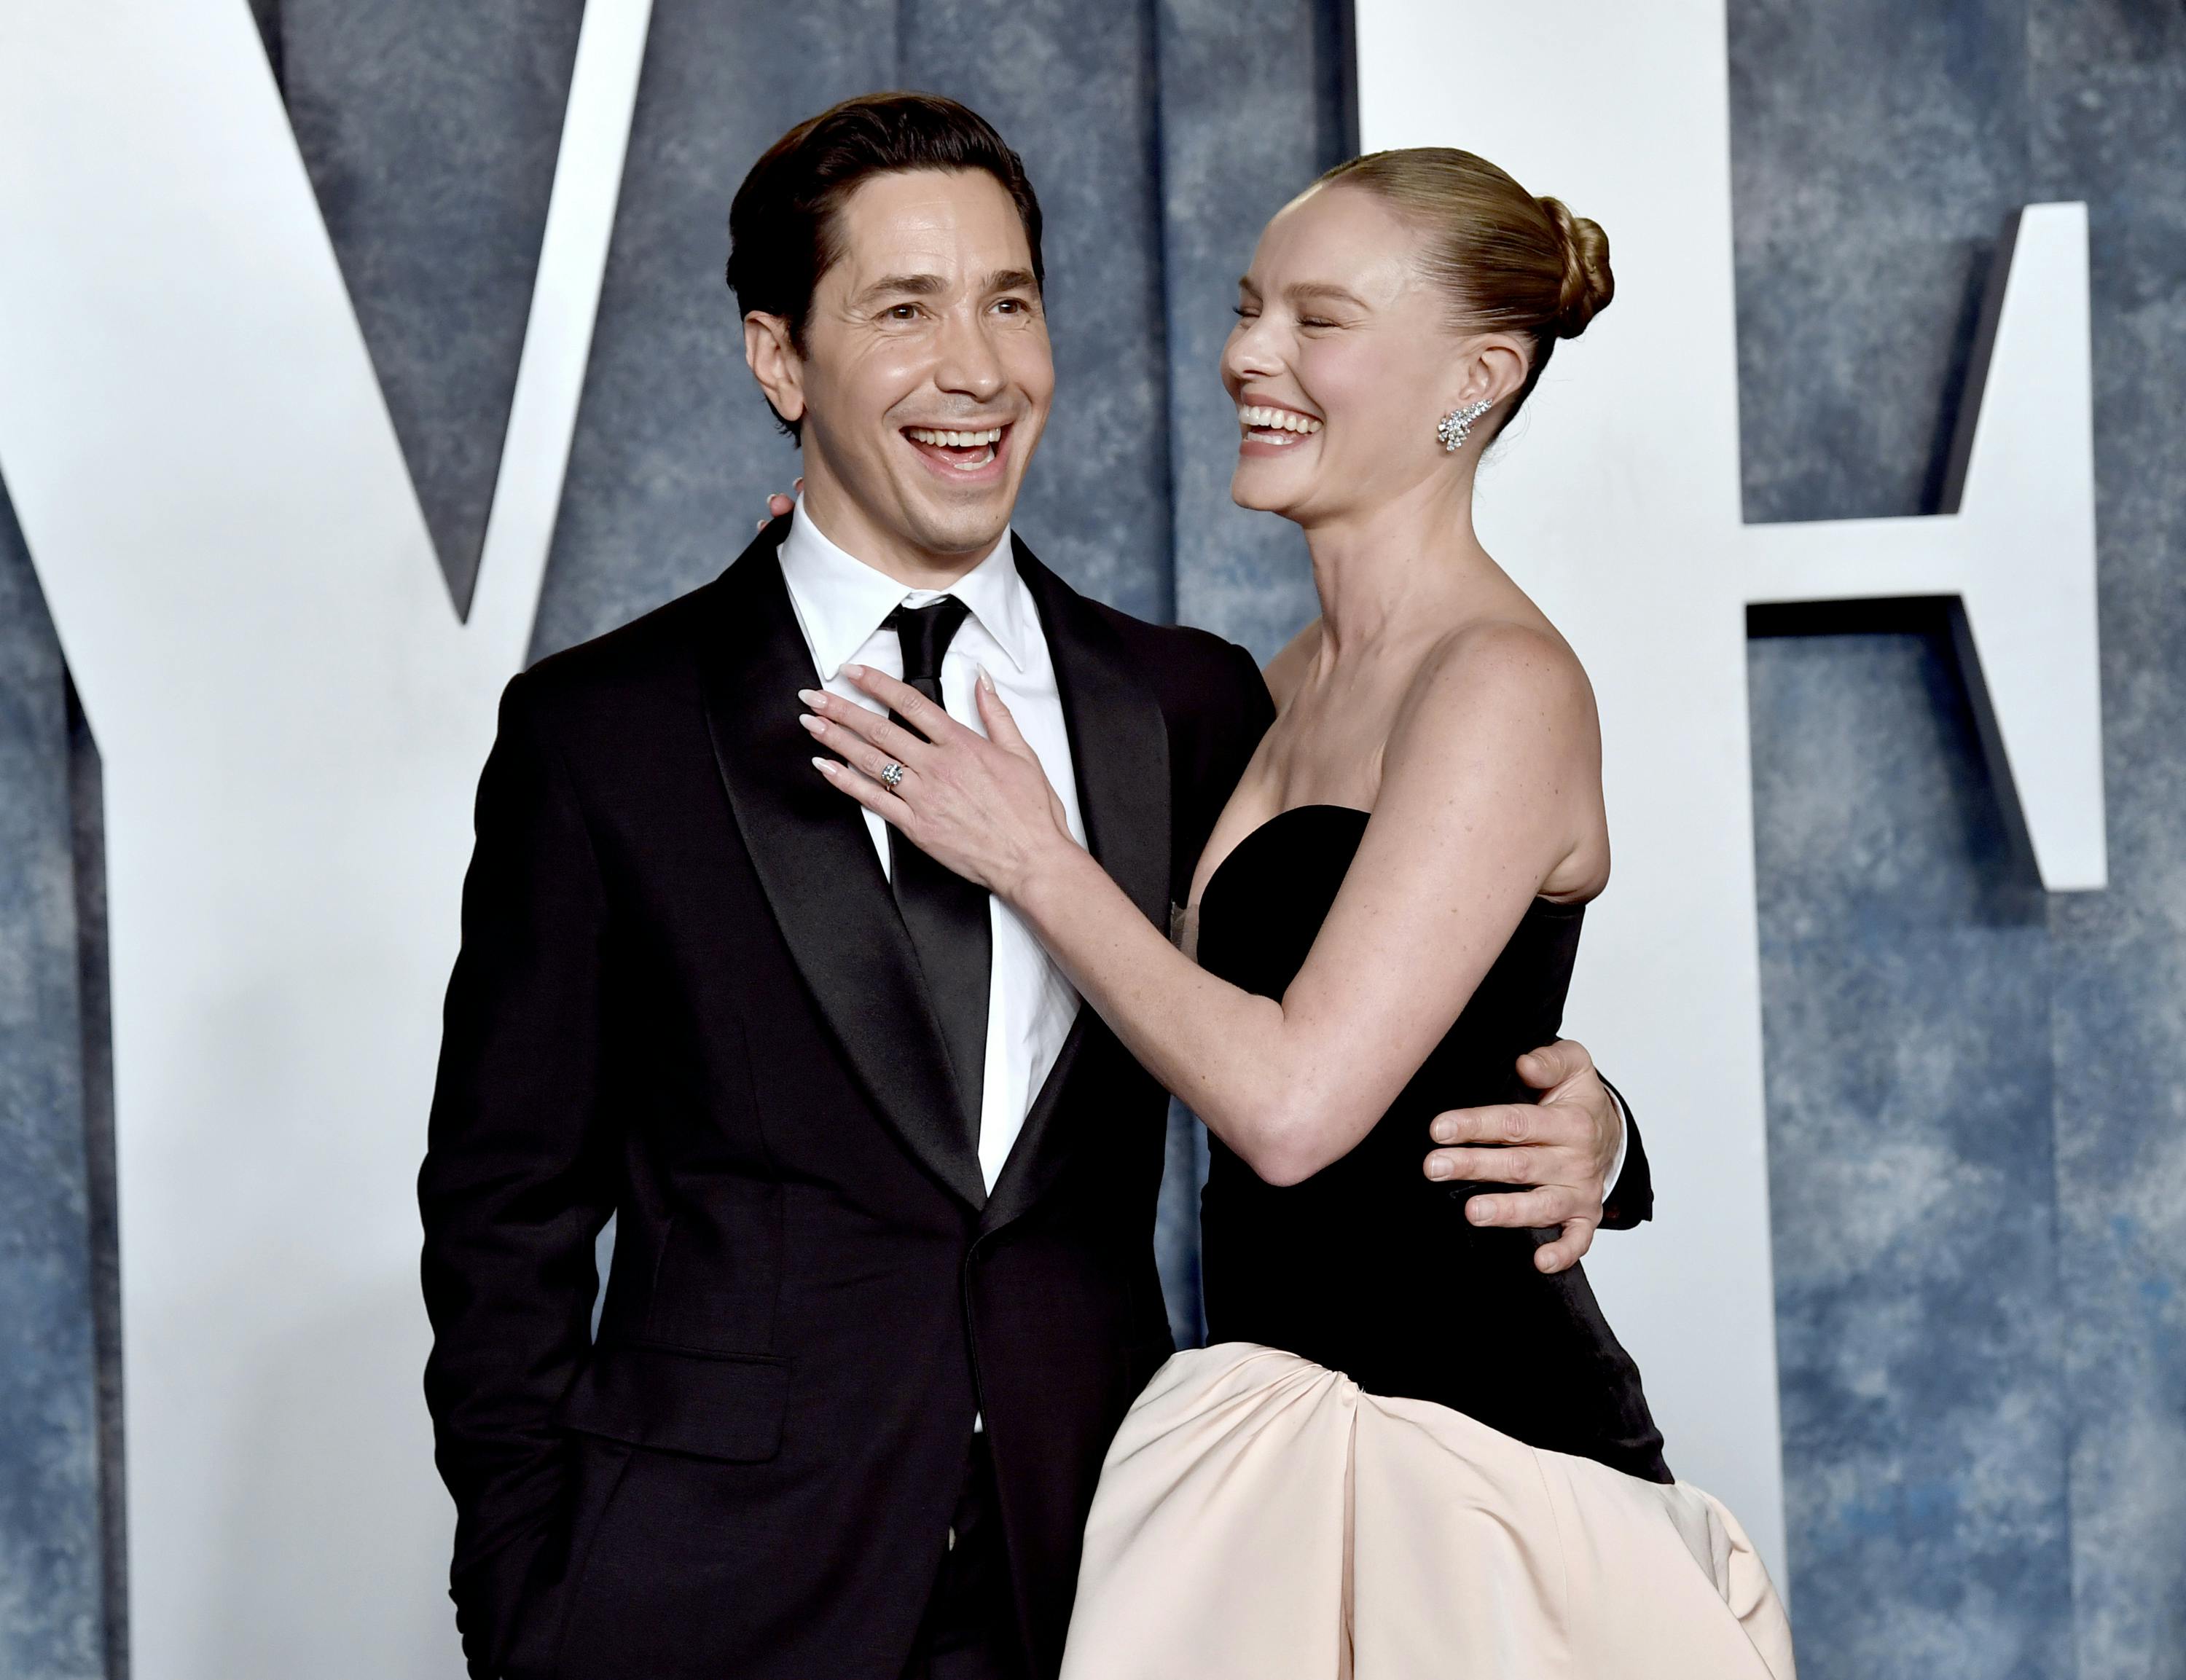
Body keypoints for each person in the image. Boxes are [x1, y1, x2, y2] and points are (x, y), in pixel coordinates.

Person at [419, 95, 1654, 1680]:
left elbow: (1380, 1008)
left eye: (1009, 302)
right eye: (905, 310)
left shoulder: (1190, 705)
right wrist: (524, 1602)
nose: (978, 367)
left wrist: (1601, 1131)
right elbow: (502, 1211)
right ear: (782, 361)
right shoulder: (610, 730)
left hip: (1104, 1570)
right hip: (714, 1592)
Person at [801, 146, 1795, 1676]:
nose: (1248, 355)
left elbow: (1289, 1106)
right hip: (1280, 1455)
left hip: (1481, 1478)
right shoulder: (1268, 688)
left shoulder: (1502, 683)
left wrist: (1035, 859)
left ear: (1477, 378)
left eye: (1317, 321)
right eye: (1250, 307)